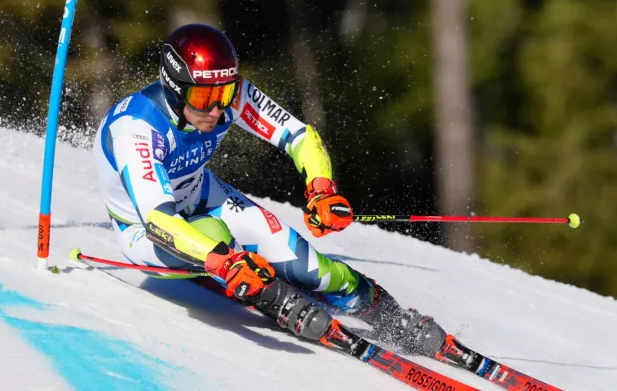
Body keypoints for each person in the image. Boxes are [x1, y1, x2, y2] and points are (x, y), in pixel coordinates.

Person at [94, 23, 454, 358]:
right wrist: (224, 261)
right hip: (146, 232)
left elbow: (299, 136)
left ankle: (388, 314)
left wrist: (321, 188)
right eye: (204, 98)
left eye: (226, 92)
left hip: (201, 194)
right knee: (217, 239)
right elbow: (159, 220)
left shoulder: (226, 99)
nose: (218, 108)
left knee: (312, 268)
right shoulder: (137, 129)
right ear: (175, 88)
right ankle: (270, 296)